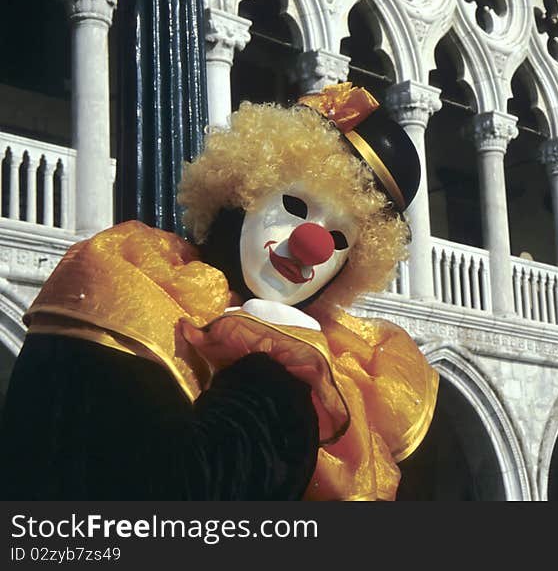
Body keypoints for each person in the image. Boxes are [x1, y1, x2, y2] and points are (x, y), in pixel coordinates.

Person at [0, 83, 438, 500]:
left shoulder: (345, 371)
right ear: (242, 190)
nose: (313, 247)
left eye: (340, 239)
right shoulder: (124, 281)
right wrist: (273, 379)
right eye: (294, 206)